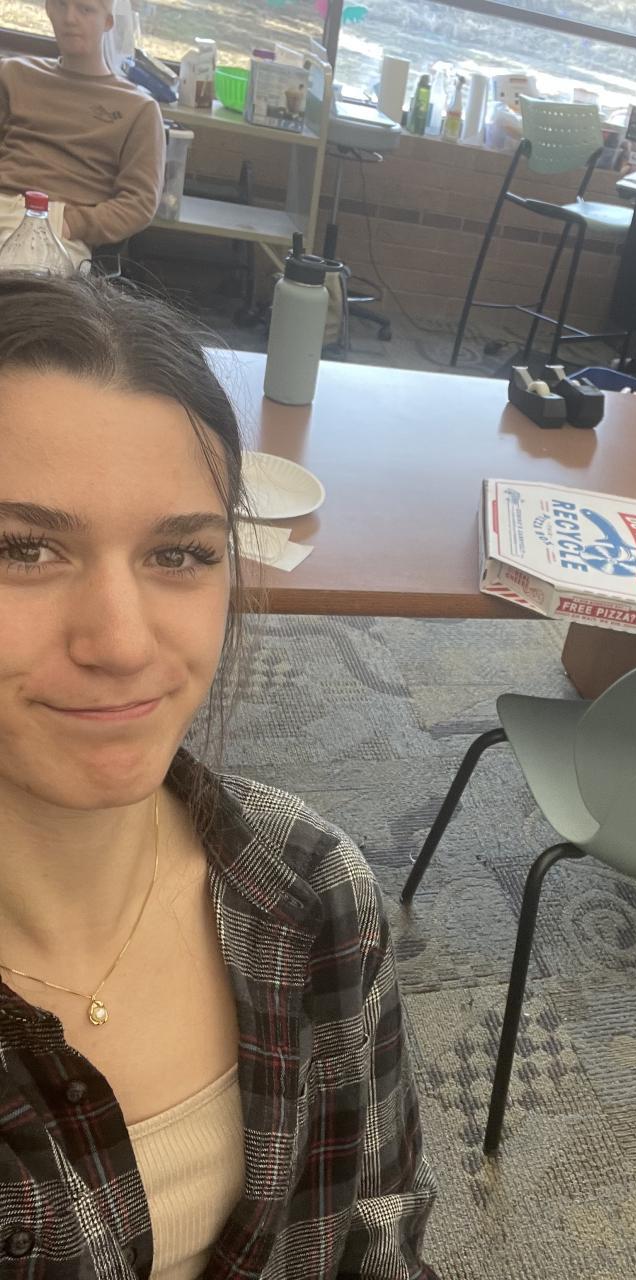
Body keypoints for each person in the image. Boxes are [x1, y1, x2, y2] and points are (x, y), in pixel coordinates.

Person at [0, 274, 439, 1280]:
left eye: (179, 554)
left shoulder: (311, 884)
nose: (122, 642)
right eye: (23, 548)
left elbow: (375, 1229)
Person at [0, 0, 164, 270]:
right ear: (48, 10)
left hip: (56, 224)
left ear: (107, 22)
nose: (70, 18)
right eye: (61, 5)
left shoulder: (138, 108)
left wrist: (71, 224)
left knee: (17, 278)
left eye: (85, 9)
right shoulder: (12, 75)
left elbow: (140, 203)